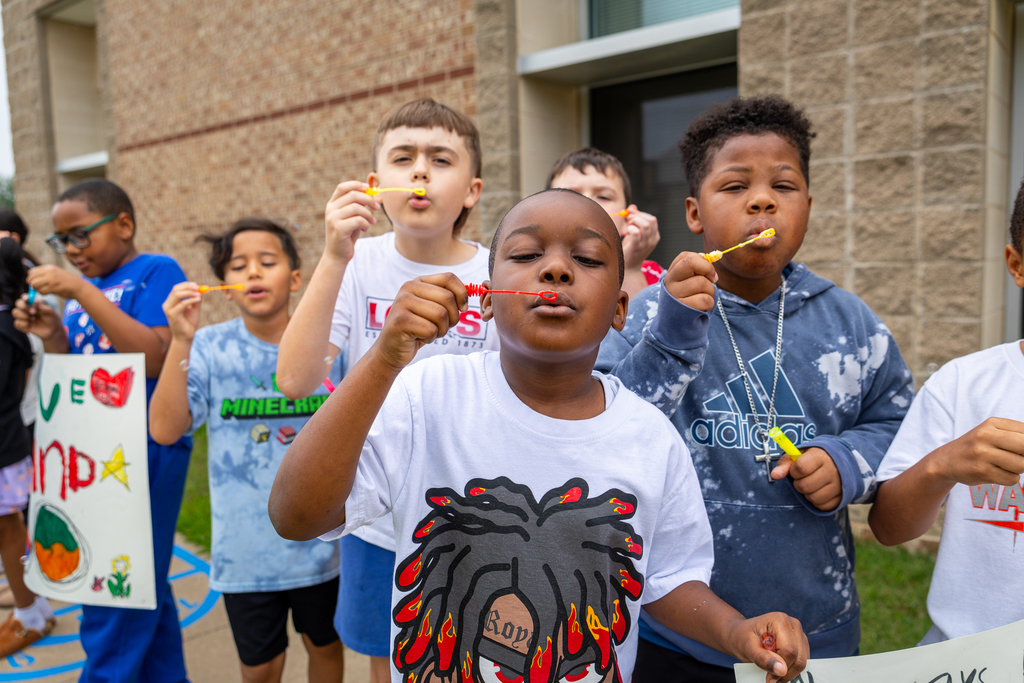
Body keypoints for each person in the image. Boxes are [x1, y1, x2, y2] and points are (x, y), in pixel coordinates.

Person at [267, 188, 811, 683]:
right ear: (484, 300)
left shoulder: (649, 437)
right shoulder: (427, 393)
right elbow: (296, 515)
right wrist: (383, 361)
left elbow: (666, 580)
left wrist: (737, 632)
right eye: (526, 256)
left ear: (621, 309)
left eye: (588, 259)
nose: (554, 269)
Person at [597, 96, 916, 681]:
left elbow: (898, 427)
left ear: (809, 207)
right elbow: (602, 433)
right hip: (673, 628)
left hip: (817, 629)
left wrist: (845, 461)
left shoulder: (850, 324)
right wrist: (669, 337)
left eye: (783, 187)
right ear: (695, 213)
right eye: (736, 186)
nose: (762, 200)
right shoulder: (648, 315)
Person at [275, 98, 499, 683]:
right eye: (404, 158)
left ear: (471, 190)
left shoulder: (499, 273)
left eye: (440, 159)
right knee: (389, 663)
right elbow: (295, 380)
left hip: (474, 516)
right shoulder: (356, 263)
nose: (420, 171)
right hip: (374, 519)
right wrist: (331, 256)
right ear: (376, 184)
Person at [148, 219, 344, 682]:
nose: (253, 272)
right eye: (239, 266)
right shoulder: (210, 347)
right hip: (246, 554)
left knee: (326, 647)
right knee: (260, 667)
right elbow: (164, 428)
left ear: (296, 279)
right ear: (227, 289)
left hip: (324, 546)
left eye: (267, 262)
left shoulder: (333, 345)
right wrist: (180, 338)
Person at [13, 179, 192, 682]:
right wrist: (54, 334)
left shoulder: (155, 271)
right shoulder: (79, 299)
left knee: (114, 583)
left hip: (148, 447)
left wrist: (82, 292)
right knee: (142, 582)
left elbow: (154, 355)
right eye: (60, 240)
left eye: (78, 235)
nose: (69, 251)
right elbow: (79, 378)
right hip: (100, 451)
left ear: (124, 225)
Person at [867, 179, 1024, 645]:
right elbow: (888, 528)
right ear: (1017, 265)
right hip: (965, 658)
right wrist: (943, 465)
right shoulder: (963, 384)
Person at [0, 236, 55, 656]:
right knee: (9, 527)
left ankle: (30, 613)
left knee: (8, 527)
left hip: (6, 442)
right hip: (10, 437)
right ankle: (30, 602)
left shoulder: (8, 324)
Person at [546, 148, 662, 299]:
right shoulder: (533, 272)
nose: (588, 203)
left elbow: (648, 323)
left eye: (603, 196)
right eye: (570, 195)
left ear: (627, 220)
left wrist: (628, 269)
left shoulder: (653, 276)